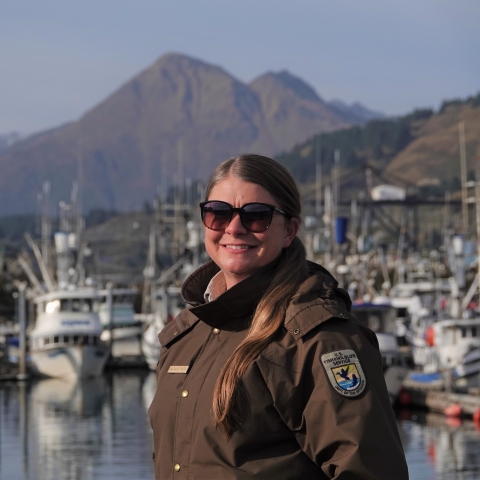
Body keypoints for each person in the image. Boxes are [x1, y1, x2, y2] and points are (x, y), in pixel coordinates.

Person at [148, 154, 409, 480]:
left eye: (256, 217)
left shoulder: (319, 340)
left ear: (290, 230)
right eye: (218, 213)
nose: (233, 227)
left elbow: (370, 471)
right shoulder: (186, 338)